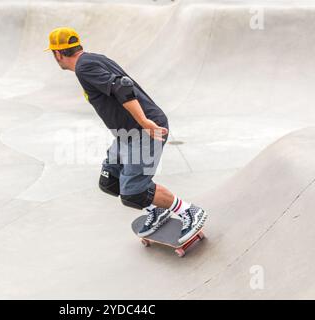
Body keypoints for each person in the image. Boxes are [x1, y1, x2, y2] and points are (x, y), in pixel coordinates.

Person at [46, 27, 207, 243]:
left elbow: (122, 88)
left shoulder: (84, 68)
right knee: (110, 180)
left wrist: (144, 122)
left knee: (134, 192)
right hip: (126, 134)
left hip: (144, 130)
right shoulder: (93, 60)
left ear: (57, 54)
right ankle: (157, 210)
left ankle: (189, 211)